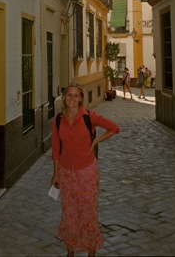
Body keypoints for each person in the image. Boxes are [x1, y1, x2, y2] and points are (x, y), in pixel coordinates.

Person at [51, 83, 120, 257]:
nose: (72, 99)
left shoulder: (89, 117)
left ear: (81, 98)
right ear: (64, 98)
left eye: (75, 96)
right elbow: (56, 148)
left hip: (87, 171)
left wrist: (96, 141)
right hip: (66, 172)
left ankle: (91, 251)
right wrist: (56, 173)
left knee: (88, 212)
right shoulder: (59, 119)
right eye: (69, 95)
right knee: (69, 212)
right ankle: (70, 251)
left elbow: (114, 128)